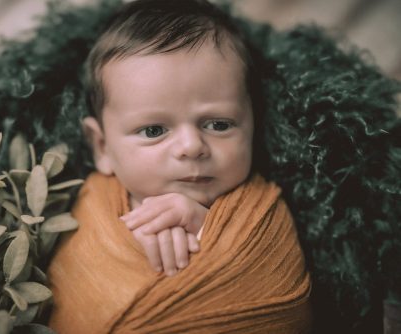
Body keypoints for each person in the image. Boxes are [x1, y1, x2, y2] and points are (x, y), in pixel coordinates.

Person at [48, 0, 312, 332]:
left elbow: (279, 296)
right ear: (102, 146)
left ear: (254, 125)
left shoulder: (261, 208)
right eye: (154, 130)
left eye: (218, 124)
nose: (191, 147)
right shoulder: (88, 204)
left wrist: (207, 231)